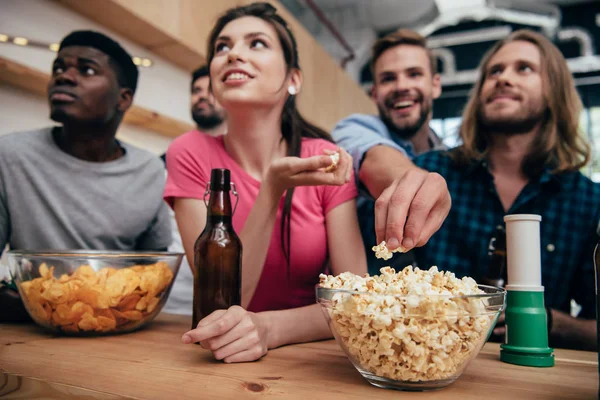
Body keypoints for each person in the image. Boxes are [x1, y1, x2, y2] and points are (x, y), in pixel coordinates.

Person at [164, 2, 367, 363]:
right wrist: (271, 189)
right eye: (221, 47)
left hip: (310, 359)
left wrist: (268, 328)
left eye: (256, 43)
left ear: (293, 79)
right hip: (216, 358)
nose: (233, 54)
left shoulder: (323, 160)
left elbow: (354, 299)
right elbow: (221, 305)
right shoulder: (189, 152)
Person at [413, 30, 598, 351]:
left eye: (523, 69)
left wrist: (549, 321)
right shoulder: (432, 172)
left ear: (554, 90)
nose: (503, 79)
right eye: (494, 72)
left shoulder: (586, 201)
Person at [0, 30, 172, 321]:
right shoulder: (10, 155)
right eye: (59, 67)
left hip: (121, 330)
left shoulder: (149, 170)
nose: (63, 77)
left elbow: (154, 269)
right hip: (31, 329)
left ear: (123, 98)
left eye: (87, 70)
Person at [332, 29, 451, 275]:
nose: (401, 86)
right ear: (374, 93)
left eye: (414, 74)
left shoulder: (450, 157)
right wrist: (417, 183)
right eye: (388, 79)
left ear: (435, 85)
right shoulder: (353, 128)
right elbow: (375, 158)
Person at [162, 66, 228, 315]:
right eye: (195, 90)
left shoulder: (246, 164)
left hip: (231, 294)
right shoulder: (166, 161)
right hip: (176, 301)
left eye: (209, 90)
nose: (201, 96)